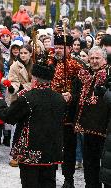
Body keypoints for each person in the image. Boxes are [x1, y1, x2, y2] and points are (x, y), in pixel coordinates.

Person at [0, 63, 66, 188]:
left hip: (30, 152)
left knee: (30, 183)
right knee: (49, 183)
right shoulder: (59, 99)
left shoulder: (27, 98)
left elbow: (8, 117)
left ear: (35, 80)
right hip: (51, 152)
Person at [72, 46, 111, 188]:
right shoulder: (85, 74)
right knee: (89, 164)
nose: (94, 61)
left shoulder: (108, 74)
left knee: (106, 166)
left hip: (104, 128)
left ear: (104, 59)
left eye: (97, 58)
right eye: (92, 58)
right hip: (86, 127)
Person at [47, 34, 83, 188]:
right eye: (57, 47)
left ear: (69, 48)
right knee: (51, 147)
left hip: (69, 115)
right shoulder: (49, 64)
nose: (59, 50)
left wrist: (72, 97)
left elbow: (82, 90)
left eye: (62, 48)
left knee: (69, 149)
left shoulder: (76, 65)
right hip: (51, 114)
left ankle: (69, 179)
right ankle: (50, 178)